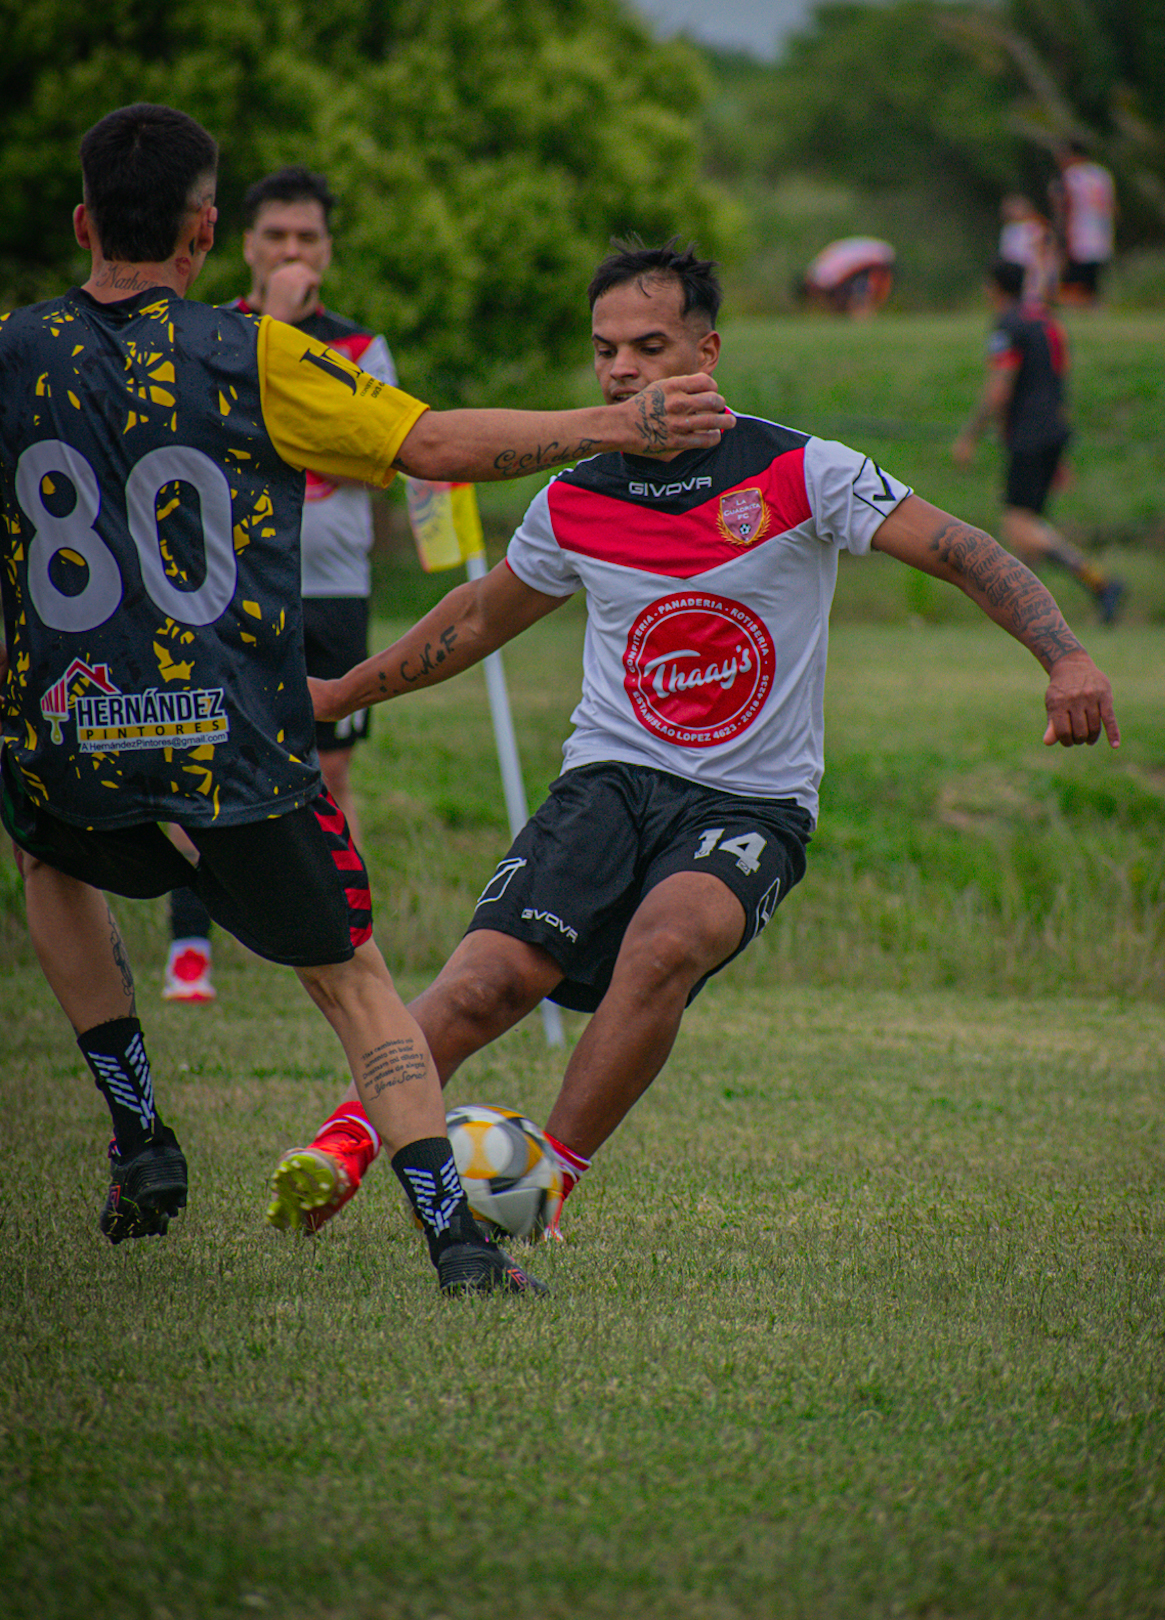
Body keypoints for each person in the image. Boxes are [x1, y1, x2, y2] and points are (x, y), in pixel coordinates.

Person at [0, 108, 730, 1296]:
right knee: (354, 982)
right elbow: (434, 446)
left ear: (83, 222)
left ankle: (139, 1133)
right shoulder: (254, 353)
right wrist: (608, 423)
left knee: (46, 859)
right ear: (205, 234)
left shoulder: (14, 348)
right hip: (227, 735)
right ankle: (455, 1240)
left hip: (68, 727)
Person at [266, 237, 1121, 1244]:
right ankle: (341, 1147)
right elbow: (478, 616)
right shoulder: (576, 496)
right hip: (608, 783)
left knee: (666, 942)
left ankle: (541, 1185)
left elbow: (963, 549)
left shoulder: (803, 471)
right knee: (489, 981)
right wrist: (338, 692)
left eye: (648, 346)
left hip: (750, 804)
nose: (621, 369)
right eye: (604, 350)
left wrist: (1065, 656)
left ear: (704, 353)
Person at [162, 167, 395, 1003]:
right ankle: (191, 947)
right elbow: (203, 446)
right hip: (229, 587)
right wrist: (280, 331)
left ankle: (347, 943)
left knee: (331, 772)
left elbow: (374, 457)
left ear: (327, 249)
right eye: (277, 236)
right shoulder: (206, 334)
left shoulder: (362, 349)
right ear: (245, 243)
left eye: (308, 236)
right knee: (205, 762)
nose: (292, 249)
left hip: (334, 589)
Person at [953, 259, 1125, 625]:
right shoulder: (1046, 321)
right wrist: (1059, 452)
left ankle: (1101, 583)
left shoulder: (1008, 325)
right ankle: (1027, 614)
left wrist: (970, 436)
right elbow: (1058, 380)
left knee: (1019, 526)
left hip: (1029, 434)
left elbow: (1000, 387)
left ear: (994, 288)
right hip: (1053, 430)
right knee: (1030, 528)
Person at [1051, 140, 1116, 305]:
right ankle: (1093, 303)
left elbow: (1064, 204)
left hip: (1078, 230)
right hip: (1101, 230)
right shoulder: (1101, 174)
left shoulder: (1071, 175)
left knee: (1075, 276)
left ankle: (1079, 303)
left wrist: (1060, 231)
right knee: (1093, 274)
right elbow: (1112, 206)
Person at [803, 238, 895, 316]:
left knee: (859, 288)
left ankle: (860, 312)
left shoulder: (820, 274)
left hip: (869, 262)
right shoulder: (819, 271)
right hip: (864, 262)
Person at [997, 194, 1058, 306]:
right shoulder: (1008, 229)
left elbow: (1042, 245)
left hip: (1030, 263)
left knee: (1031, 288)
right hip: (1014, 265)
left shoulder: (1033, 226)